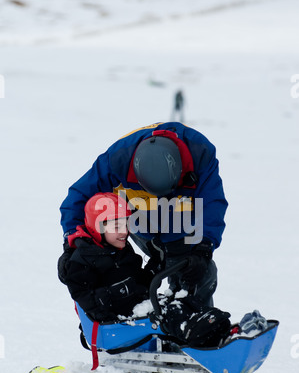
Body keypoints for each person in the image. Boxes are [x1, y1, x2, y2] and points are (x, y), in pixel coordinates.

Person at [58, 122, 231, 347]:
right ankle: (154, 337)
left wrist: (204, 247)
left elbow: (213, 204)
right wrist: (74, 239)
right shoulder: (118, 158)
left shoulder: (200, 153)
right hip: (139, 221)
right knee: (124, 272)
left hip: (182, 224)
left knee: (199, 275)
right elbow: (77, 196)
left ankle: (198, 336)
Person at [60, 192, 159, 323]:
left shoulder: (121, 248)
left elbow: (138, 281)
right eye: (117, 227)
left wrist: (154, 268)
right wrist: (114, 293)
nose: (124, 232)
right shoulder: (82, 260)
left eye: (126, 225)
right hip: (114, 328)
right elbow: (85, 298)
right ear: (97, 228)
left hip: (139, 314)